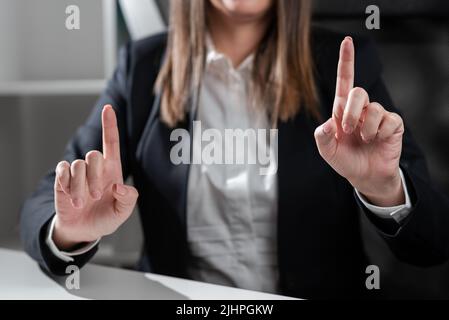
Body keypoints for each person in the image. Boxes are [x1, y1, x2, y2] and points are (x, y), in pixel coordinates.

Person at [20, 0, 449, 299]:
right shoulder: (142, 66)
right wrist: (71, 230)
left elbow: (430, 243)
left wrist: (386, 190)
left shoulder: (340, 65)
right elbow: (42, 205)